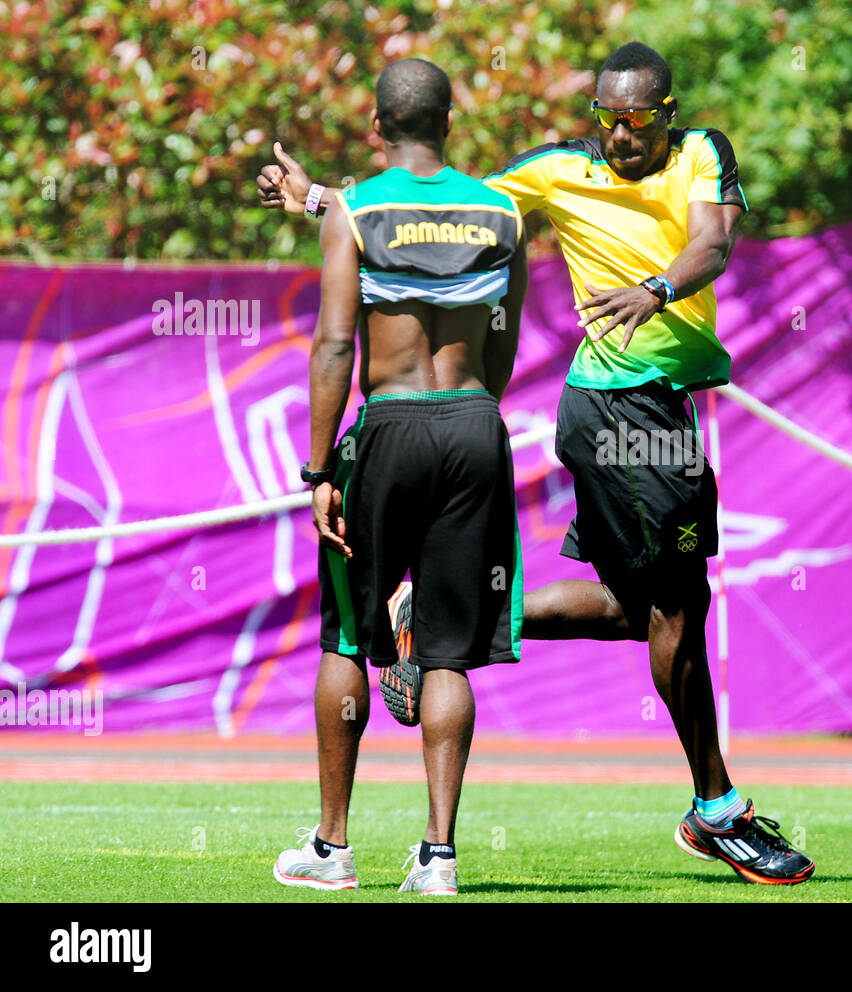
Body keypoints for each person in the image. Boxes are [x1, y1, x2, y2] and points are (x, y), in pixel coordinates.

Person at [258, 42, 812, 885]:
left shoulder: (703, 153)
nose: (621, 135)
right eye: (608, 119)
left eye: (638, 120)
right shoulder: (556, 170)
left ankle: (445, 617)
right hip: (617, 407)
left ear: (668, 112)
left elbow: (713, 244)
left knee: (643, 609)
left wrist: (657, 288)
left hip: (662, 405)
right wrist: (318, 200)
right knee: (677, 606)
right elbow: (437, 207)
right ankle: (717, 809)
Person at [270, 57, 528, 897]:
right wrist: (473, 409)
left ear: (376, 129)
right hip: (474, 424)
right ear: (451, 120)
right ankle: (439, 857)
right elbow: (506, 342)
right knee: (449, 651)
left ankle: (334, 847)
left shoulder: (354, 209)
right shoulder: (504, 213)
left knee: (347, 637)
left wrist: (318, 468)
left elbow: (335, 346)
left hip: (388, 431)